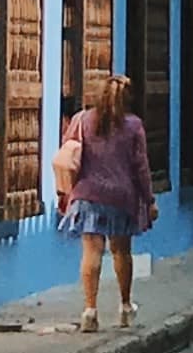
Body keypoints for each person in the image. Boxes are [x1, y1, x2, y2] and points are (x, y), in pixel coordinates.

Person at [54, 69, 156, 329]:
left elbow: (68, 155)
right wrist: (150, 199)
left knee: (91, 251)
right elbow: (141, 167)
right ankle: (124, 307)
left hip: (87, 195)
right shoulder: (133, 126)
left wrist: (64, 192)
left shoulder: (82, 120)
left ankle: (90, 310)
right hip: (121, 198)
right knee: (121, 251)